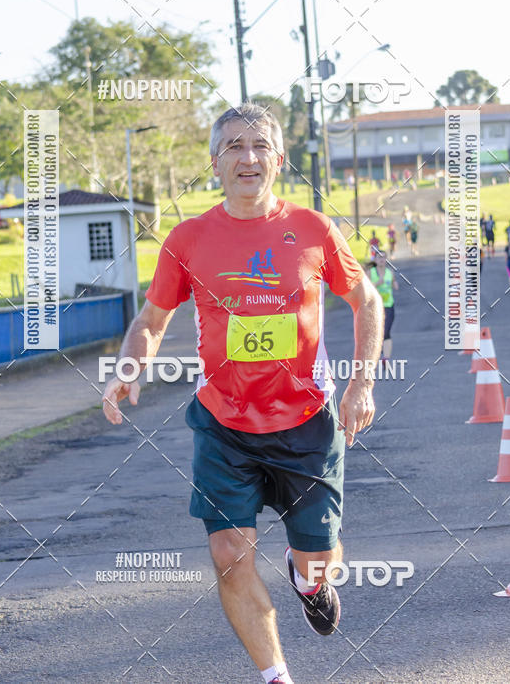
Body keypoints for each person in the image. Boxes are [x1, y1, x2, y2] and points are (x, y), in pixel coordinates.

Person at [102, 104, 383, 684]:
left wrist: (362, 383)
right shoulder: (188, 239)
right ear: (215, 162)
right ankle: (276, 676)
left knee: (320, 558)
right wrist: (129, 367)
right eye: (233, 146)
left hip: (307, 422)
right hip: (223, 424)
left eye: (259, 146)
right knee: (229, 555)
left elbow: (367, 301)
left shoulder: (314, 229)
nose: (247, 157)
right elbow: (151, 320)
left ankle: (309, 579)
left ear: (279, 160)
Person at [368, 251, 398, 359]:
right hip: (374, 307)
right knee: (377, 331)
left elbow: (394, 283)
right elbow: (366, 289)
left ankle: (386, 358)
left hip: (388, 306)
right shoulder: (370, 273)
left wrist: (395, 284)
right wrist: (377, 283)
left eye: (383, 257)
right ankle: (378, 349)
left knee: (386, 331)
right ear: (375, 260)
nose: (381, 259)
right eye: (379, 257)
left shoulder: (390, 273)